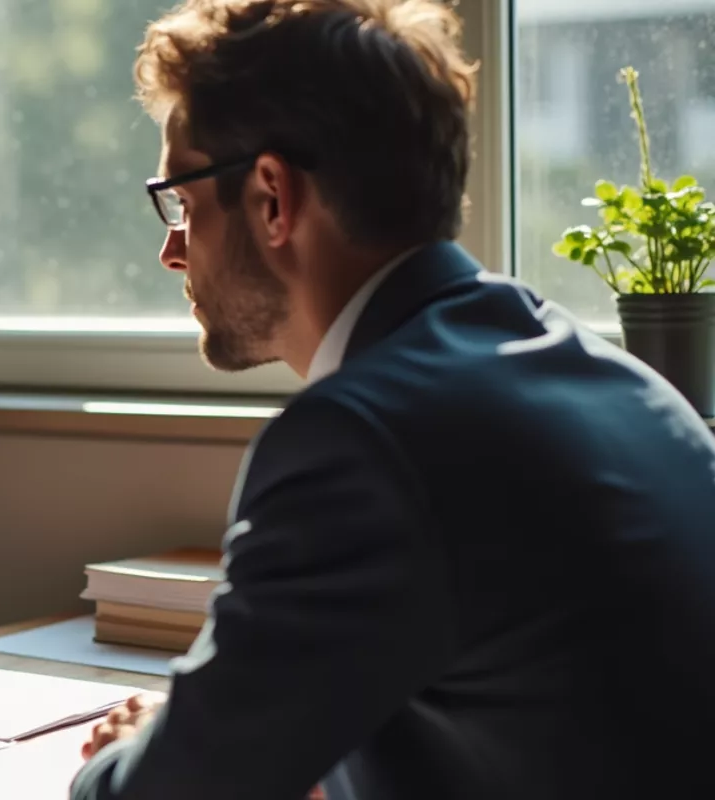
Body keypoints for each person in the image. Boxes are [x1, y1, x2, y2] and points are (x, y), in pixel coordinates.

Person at [73, 1, 715, 798]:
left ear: (272, 196)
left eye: (184, 200)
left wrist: (125, 751)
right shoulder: (619, 383)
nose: (172, 249)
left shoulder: (359, 441)